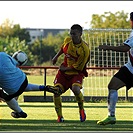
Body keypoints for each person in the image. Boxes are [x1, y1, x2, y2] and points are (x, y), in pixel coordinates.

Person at [97, 12, 133, 125]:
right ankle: (111, 116)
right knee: (112, 86)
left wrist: (107, 47)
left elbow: (125, 48)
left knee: (112, 87)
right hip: (130, 68)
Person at [0, 51, 60, 118]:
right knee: (23, 86)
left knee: (6, 96)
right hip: (23, 79)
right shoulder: (3, 54)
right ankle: (44, 88)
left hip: (13, 89)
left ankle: (20, 112)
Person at [52, 24, 90, 122]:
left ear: (80, 34)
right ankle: (60, 117)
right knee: (56, 91)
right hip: (63, 74)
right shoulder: (67, 41)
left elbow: (79, 67)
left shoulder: (84, 50)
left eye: (74, 34)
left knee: (76, 89)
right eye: (71, 33)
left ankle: (81, 109)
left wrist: (65, 69)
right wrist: (56, 57)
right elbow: (62, 48)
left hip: (76, 73)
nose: (72, 36)